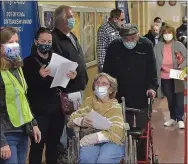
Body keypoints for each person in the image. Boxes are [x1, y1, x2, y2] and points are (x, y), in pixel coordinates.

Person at [103, 23, 158, 160]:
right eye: (126, 39)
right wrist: (107, 89)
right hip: (120, 95)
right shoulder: (114, 47)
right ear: (121, 37)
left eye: (133, 38)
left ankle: (141, 157)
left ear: (138, 35)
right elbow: (107, 72)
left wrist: (152, 87)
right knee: (121, 129)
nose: (129, 42)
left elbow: (152, 69)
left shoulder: (146, 45)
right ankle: (122, 156)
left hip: (142, 94)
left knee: (142, 130)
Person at [23, 27, 77, 164]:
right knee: (37, 147)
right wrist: (39, 76)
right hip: (39, 111)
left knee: (53, 145)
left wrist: (71, 77)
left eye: (49, 41)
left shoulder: (57, 59)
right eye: (43, 41)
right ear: (36, 42)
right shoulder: (28, 62)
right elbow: (26, 88)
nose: (46, 44)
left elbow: (63, 86)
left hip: (56, 110)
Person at [0, 27, 41, 164]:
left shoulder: (17, 67)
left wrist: (33, 123)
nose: (15, 45)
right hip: (6, 134)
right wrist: (2, 142)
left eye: (17, 41)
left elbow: (23, 99)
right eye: (11, 42)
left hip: (22, 131)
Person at [67, 73, 129, 164]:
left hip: (111, 141)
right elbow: (73, 117)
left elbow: (118, 130)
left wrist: (96, 137)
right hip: (90, 140)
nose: (99, 85)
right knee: (86, 160)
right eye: (97, 83)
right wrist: (81, 121)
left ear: (111, 89)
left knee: (104, 161)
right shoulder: (88, 102)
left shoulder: (115, 106)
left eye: (104, 83)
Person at [154, 25, 187, 129]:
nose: (167, 35)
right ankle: (173, 117)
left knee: (179, 97)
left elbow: (186, 57)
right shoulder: (158, 46)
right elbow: (153, 60)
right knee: (170, 98)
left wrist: (181, 66)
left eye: (169, 33)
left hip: (177, 73)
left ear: (173, 34)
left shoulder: (178, 44)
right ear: (162, 35)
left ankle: (180, 118)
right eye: (165, 33)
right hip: (164, 75)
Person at [52, 5, 88, 94]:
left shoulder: (72, 36)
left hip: (79, 85)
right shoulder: (53, 38)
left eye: (73, 16)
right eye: (69, 17)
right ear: (59, 19)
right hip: (67, 90)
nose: (73, 19)